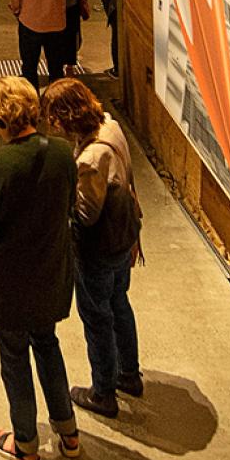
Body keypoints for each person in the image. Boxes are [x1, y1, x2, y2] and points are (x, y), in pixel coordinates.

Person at [0, 76, 81, 460]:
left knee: (15, 359)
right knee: (48, 345)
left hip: (9, 284)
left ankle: (27, 445)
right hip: (50, 274)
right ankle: (68, 432)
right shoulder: (63, 154)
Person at [42, 79, 144, 417]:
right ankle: (129, 374)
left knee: (97, 317)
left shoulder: (91, 156)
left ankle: (103, 392)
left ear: (66, 115)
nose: (49, 123)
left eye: (52, 116)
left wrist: (61, 192)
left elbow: (86, 215)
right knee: (119, 303)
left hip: (99, 249)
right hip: (125, 236)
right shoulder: (110, 125)